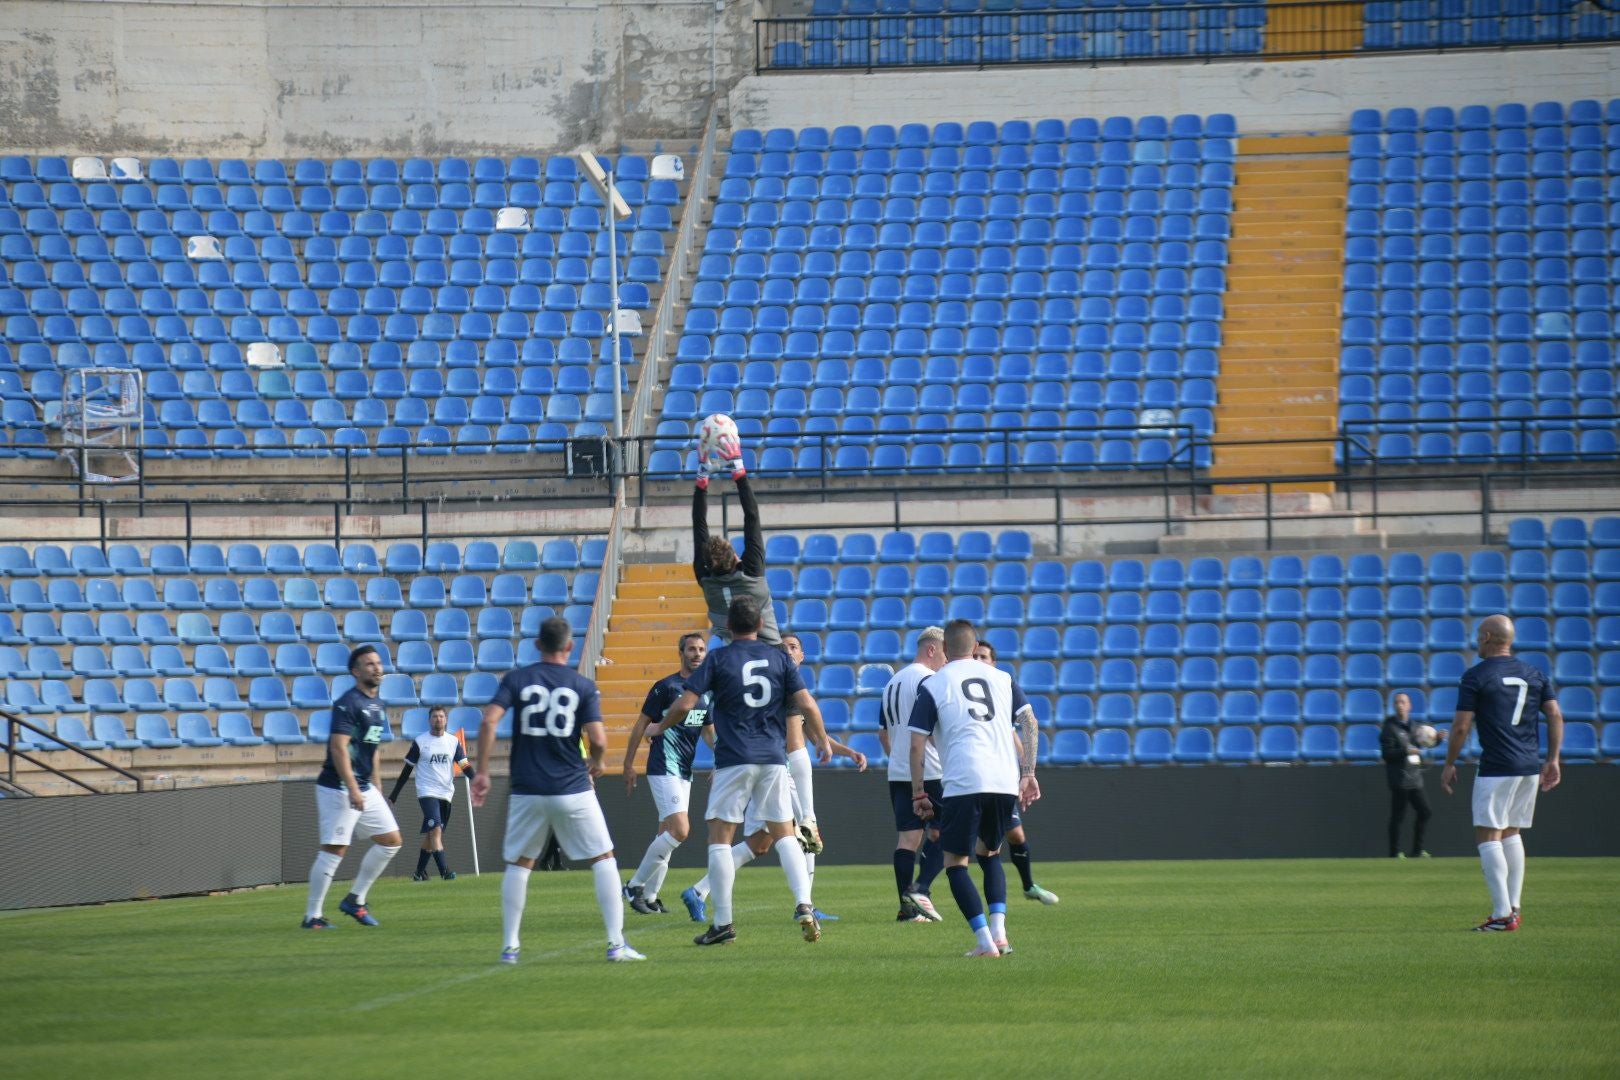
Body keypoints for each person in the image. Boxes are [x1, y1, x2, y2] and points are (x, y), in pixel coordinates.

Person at [651, 596, 830, 947]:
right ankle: (804, 903)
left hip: (735, 757)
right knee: (784, 833)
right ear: (760, 626)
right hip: (774, 758)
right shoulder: (780, 658)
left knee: (719, 838)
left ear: (728, 627)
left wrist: (660, 728)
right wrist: (822, 739)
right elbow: (807, 702)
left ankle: (723, 924)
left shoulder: (718, 658)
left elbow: (687, 703)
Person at [471, 616, 645, 963]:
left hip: (527, 788)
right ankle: (615, 944)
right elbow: (597, 738)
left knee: (520, 864)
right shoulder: (580, 685)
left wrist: (483, 771)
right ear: (569, 647)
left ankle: (510, 947)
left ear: (537, 644)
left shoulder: (517, 679)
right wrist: (596, 761)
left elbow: (489, 720)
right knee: (603, 858)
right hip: (572, 788)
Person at [676, 630, 865, 925]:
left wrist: (845, 750)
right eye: (784, 647)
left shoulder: (784, 688)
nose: (789, 651)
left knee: (760, 843)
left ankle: (698, 891)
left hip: (762, 766)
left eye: (794, 647)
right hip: (780, 771)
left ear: (802, 656)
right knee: (806, 833)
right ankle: (806, 904)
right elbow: (795, 740)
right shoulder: (784, 689)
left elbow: (814, 734)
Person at [910, 621, 1041, 957]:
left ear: (943, 649)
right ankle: (1000, 933)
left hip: (964, 782)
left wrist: (919, 792)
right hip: (1003, 780)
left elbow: (916, 745)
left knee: (956, 864)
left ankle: (984, 942)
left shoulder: (933, 684)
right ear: (972, 647)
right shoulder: (1003, 678)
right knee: (991, 853)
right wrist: (1028, 772)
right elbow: (1030, 722)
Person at [1440, 613, 1563, 933]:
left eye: (1479, 635)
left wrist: (1449, 762)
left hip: (1497, 767)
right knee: (1512, 832)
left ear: (1487, 638)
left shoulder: (1475, 676)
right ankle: (1514, 908)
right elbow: (1555, 715)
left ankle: (1501, 915)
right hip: (1528, 766)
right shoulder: (1534, 674)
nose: (1476, 640)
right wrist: (1553, 759)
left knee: (1488, 833)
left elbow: (1462, 726)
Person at [302, 645, 403, 929]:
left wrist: (376, 785)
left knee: (391, 841)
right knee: (334, 850)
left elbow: (373, 748)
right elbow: (339, 747)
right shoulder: (348, 703)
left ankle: (355, 900)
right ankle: (313, 916)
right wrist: (352, 788)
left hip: (364, 786)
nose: (376, 667)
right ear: (356, 672)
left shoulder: (378, 705)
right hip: (339, 787)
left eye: (378, 663)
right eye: (369, 664)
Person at [621, 632, 713, 915]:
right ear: (681, 653)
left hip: (684, 771)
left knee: (666, 834)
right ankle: (633, 886)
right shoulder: (666, 687)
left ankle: (649, 896)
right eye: (691, 649)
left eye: (701, 649)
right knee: (680, 830)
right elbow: (641, 725)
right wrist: (628, 764)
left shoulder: (705, 694)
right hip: (664, 766)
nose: (697, 654)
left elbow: (708, 732)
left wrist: (722, 758)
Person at [973, 640, 1059, 905]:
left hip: (1000, 777)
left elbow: (1014, 732)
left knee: (1015, 835)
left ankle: (1028, 885)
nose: (978, 661)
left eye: (983, 657)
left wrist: (1026, 770)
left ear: (993, 662)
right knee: (980, 846)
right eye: (974, 655)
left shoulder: (1000, 688)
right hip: (971, 776)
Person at [879, 625, 948, 923]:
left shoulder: (892, 682)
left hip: (898, 771)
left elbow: (882, 732)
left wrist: (898, 758)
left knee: (907, 839)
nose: (947, 661)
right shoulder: (928, 680)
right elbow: (932, 730)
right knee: (950, 831)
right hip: (929, 768)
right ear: (932, 649)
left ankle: (907, 909)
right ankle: (921, 890)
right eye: (945, 653)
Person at [692, 436, 780, 647]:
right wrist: (739, 472)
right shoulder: (751, 572)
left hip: (727, 654)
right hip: (769, 648)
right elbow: (752, 516)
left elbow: (699, 524)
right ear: (733, 556)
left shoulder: (707, 581)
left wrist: (702, 477)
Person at [388, 705, 473, 881]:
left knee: (433, 834)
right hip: (427, 792)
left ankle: (419, 872)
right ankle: (445, 872)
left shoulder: (453, 742)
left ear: (446, 720)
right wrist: (394, 795)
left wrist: (477, 781)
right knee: (435, 830)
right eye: (434, 717)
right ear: (429, 720)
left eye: (441, 716)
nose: (438, 719)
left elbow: (464, 765)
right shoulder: (420, 742)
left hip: (446, 792)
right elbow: (406, 770)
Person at [1378, 692, 1431, 860]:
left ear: (1409, 706)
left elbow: (1422, 743)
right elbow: (1387, 754)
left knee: (1425, 812)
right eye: (1397, 702)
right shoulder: (1389, 728)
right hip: (1400, 779)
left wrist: (1436, 739)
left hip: (1414, 778)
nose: (1400, 705)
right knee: (1398, 816)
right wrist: (1406, 750)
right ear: (1394, 706)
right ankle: (1394, 852)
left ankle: (1417, 850)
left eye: (1403, 702)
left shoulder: (1415, 727)